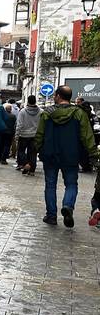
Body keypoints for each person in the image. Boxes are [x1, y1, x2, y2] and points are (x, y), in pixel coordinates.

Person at [35, 85, 99, 227]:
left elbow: (39, 135)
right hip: (71, 155)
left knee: (50, 185)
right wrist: (93, 154)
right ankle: (68, 206)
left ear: (58, 96)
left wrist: (38, 149)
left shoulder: (47, 113)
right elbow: (87, 136)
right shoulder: (79, 113)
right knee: (71, 184)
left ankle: (51, 216)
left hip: (50, 154)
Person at [15, 95, 42, 175]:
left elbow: (19, 124)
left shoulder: (22, 111)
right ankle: (32, 170)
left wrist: (17, 134)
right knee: (33, 153)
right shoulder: (41, 112)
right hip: (35, 135)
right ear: (35, 101)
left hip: (23, 135)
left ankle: (26, 164)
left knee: (21, 151)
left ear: (28, 101)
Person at [76, 97, 94, 172]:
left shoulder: (82, 113)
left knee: (81, 152)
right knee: (86, 151)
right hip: (89, 134)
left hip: (82, 134)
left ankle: (85, 167)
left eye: (78, 102)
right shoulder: (90, 113)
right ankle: (87, 167)